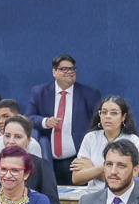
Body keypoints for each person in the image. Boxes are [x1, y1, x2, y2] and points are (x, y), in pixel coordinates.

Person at [26, 54, 99, 187]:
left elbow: (98, 123)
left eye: (72, 69)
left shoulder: (89, 94)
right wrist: (45, 122)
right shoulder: (39, 92)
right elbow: (28, 118)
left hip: (76, 160)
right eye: (64, 69)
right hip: (48, 160)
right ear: (54, 71)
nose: (69, 72)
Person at [0, 115, 63, 204]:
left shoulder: (41, 166)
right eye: (7, 136)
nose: (11, 141)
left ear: (28, 140)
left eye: (18, 137)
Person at [73, 96, 139, 195]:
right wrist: (108, 172)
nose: (108, 116)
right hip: (93, 195)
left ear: (123, 117)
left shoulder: (132, 140)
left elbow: (129, 179)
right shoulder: (90, 137)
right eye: (104, 112)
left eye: (114, 113)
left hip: (121, 196)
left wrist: (92, 168)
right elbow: (76, 178)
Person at [0, 99, 38, 171]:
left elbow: (36, 175)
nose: (1, 121)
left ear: (18, 117)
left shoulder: (32, 144)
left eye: (6, 117)